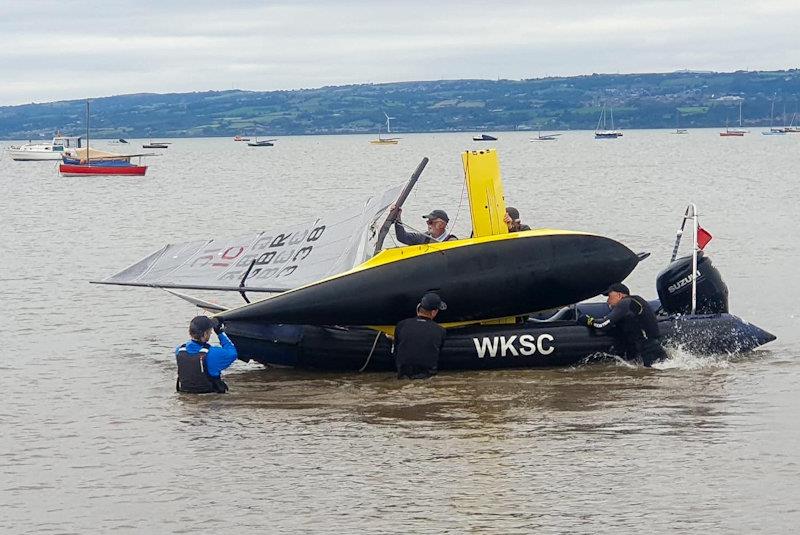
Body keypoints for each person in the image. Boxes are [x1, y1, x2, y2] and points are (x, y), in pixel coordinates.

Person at [577, 282, 667, 367]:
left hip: (649, 350)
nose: (608, 301)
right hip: (650, 349)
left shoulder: (626, 302)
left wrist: (587, 320)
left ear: (619, 295)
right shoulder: (631, 307)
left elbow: (603, 325)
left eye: (609, 296)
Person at [175, 316, 238, 393]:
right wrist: (220, 333)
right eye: (210, 331)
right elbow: (233, 353)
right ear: (205, 334)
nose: (211, 333)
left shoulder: (179, 351)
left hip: (186, 394)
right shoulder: (213, 353)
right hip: (211, 399)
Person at [393, 292, 448, 379]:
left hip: (403, 375)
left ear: (419, 307)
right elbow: (437, 352)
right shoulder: (440, 330)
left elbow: (396, 349)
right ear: (433, 312)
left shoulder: (401, 325)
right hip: (427, 377)